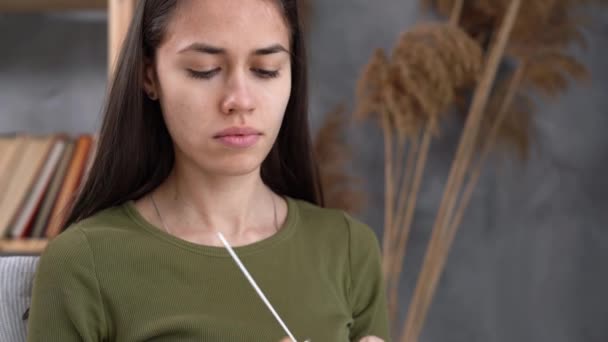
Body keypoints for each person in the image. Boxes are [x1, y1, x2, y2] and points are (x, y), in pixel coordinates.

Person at [26, 0, 390, 341]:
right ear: (150, 76)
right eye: (205, 71)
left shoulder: (348, 248)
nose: (240, 100)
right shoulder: (82, 263)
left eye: (266, 71)